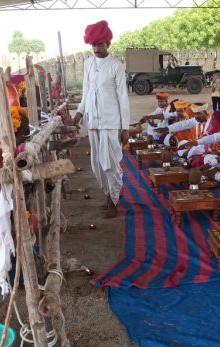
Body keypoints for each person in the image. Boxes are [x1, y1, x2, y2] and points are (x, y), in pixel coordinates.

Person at [73, 21, 130, 219]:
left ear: (108, 44)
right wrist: (80, 113)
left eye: (101, 44)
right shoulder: (88, 64)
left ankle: (114, 200)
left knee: (110, 163)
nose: (97, 48)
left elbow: (123, 97)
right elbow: (86, 92)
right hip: (93, 122)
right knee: (97, 164)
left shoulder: (116, 66)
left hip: (111, 121)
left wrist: (125, 127)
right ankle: (108, 195)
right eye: (94, 45)